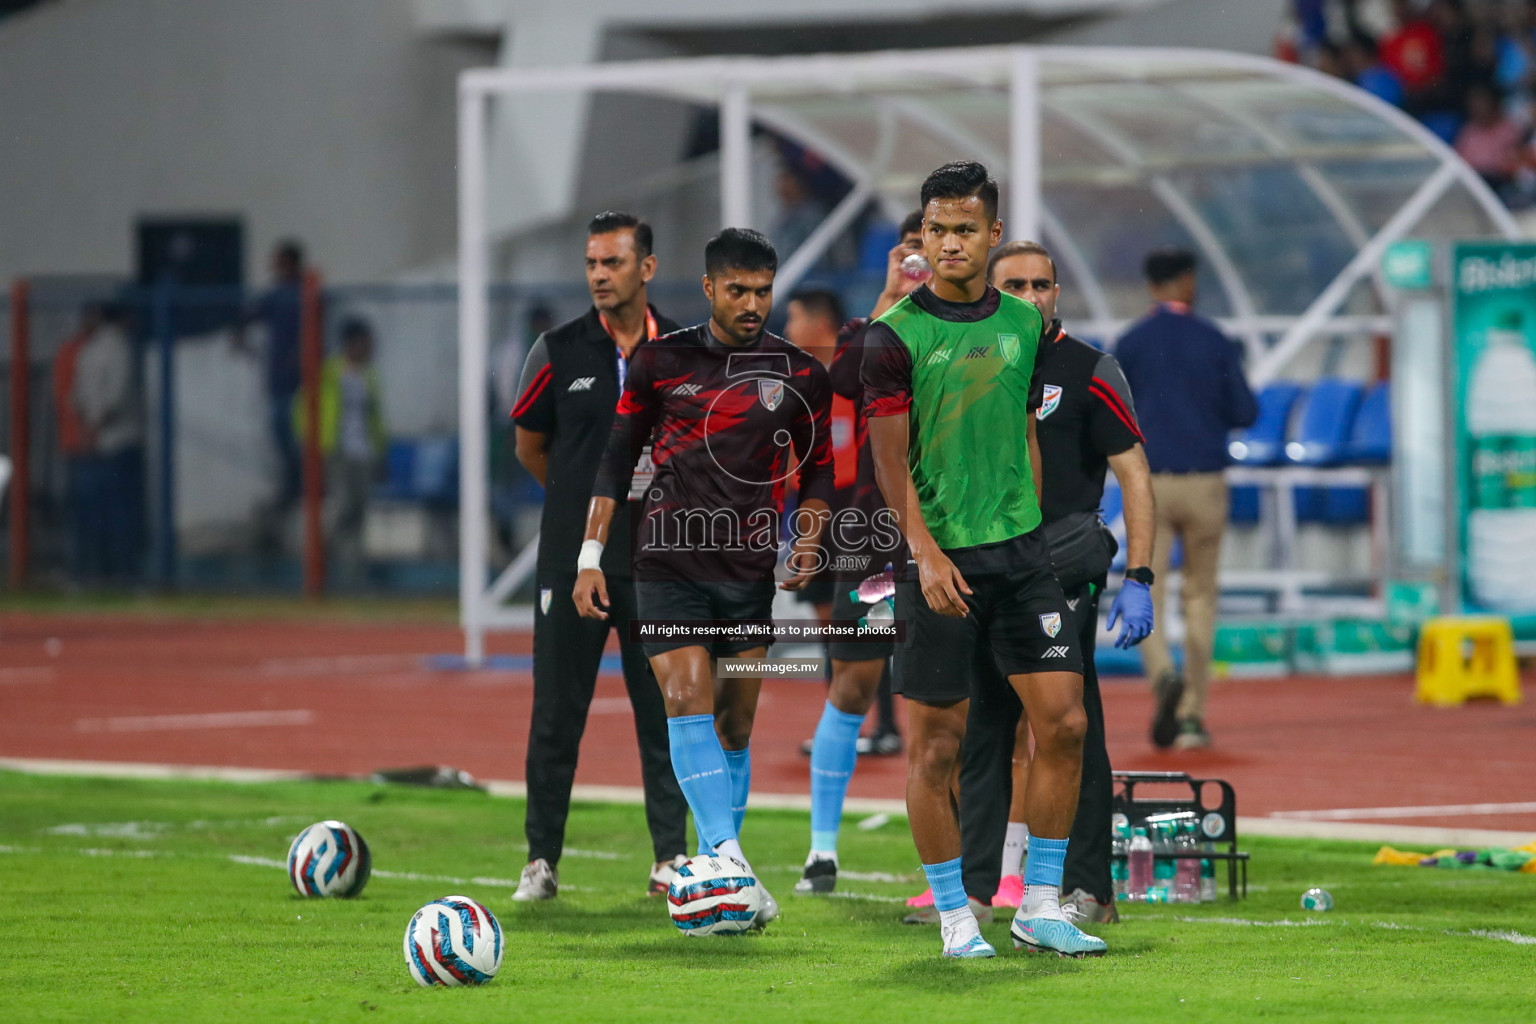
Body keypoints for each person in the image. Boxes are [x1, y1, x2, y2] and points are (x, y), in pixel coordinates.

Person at [862, 161, 1103, 960]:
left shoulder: (1024, 326)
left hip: (1020, 556)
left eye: (965, 229)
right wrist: (923, 555)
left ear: (992, 234)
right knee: (939, 748)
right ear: (923, 237)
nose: (950, 243)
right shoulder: (893, 337)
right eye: (937, 230)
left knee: (1064, 722)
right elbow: (888, 463)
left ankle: (1038, 905)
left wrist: (1033, 521)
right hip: (939, 563)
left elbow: (1027, 431)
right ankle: (957, 918)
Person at [576, 227, 835, 928]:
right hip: (666, 563)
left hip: (747, 573)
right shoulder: (663, 361)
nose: (753, 303)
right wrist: (589, 557)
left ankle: (718, 855)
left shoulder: (801, 374)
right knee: (686, 698)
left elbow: (817, 476)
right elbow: (614, 459)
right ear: (710, 288)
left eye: (763, 291)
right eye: (739, 290)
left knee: (735, 722)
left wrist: (806, 542)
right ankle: (727, 860)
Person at [955, 240, 1156, 923]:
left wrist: (1142, 575)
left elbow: (1135, 476)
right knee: (983, 730)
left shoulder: (1090, 369)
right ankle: (978, 891)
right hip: (982, 570)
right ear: (990, 291)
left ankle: (1089, 888)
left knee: (1070, 729)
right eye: (1016, 284)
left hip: (1059, 574)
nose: (1032, 295)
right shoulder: (967, 366)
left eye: (1043, 283)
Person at [509, 212, 689, 901]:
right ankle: (540, 859)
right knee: (557, 710)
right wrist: (580, 517)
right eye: (591, 264)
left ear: (646, 267)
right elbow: (531, 448)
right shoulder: (556, 350)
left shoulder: (681, 350)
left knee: (665, 710)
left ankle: (670, 858)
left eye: (612, 263)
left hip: (657, 562)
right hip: (568, 564)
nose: (599, 276)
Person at [791, 212, 927, 894]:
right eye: (913, 247)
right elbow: (844, 378)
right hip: (876, 538)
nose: (923, 259)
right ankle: (822, 849)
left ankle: (988, 865)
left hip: (962, 533)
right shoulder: (870, 331)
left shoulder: (989, 328)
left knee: (963, 701)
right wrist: (889, 292)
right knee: (851, 685)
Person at [1115, 248, 1258, 751]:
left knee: (1144, 590)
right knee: (1200, 595)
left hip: (1147, 482)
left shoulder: (1129, 344)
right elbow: (1245, 409)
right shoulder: (1215, 340)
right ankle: (1192, 715)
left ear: (1151, 285)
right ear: (1188, 282)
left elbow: (1111, 413)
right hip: (1204, 481)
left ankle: (1161, 679)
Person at [53, 302, 145, 583]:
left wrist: (84, 430)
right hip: (117, 442)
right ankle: (120, 574)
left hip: (90, 444)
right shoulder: (119, 348)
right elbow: (115, 397)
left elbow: (75, 397)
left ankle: (90, 572)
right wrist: (93, 429)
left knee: (91, 514)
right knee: (120, 515)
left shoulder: (87, 350)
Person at [294, 317, 386, 588]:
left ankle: (352, 576)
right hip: (336, 450)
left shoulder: (369, 375)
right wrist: (312, 444)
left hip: (363, 452)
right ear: (352, 343)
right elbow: (303, 409)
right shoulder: (328, 373)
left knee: (359, 513)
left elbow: (376, 417)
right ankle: (317, 555)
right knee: (344, 507)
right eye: (365, 342)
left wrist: (380, 449)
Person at [241, 241, 306, 532]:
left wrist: (299, 356)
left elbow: (312, 329)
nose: (275, 269)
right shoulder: (276, 296)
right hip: (279, 381)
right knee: (282, 435)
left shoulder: (304, 293)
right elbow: (250, 313)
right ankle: (292, 486)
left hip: (300, 384)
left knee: (296, 435)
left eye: (279, 263)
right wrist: (238, 331)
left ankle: (299, 485)